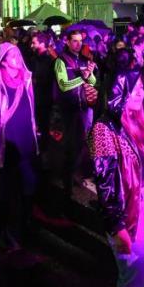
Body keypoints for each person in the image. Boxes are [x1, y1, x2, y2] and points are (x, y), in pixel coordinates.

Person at [89, 72, 144, 287]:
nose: (141, 92)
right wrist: (117, 227)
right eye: (135, 89)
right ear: (118, 93)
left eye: (142, 87)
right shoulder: (103, 129)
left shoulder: (140, 119)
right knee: (132, 282)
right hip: (130, 213)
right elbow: (105, 184)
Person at [0, 43, 39, 248]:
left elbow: (31, 108)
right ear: (2, 60)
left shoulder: (27, 80)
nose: (18, 58)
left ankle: (25, 223)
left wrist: (35, 128)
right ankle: (1, 232)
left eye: (18, 54)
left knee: (29, 185)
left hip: (26, 141)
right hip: (6, 144)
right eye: (12, 55)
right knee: (4, 191)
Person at [54, 30, 97, 206]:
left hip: (84, 108)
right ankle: (67, 182)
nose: (78, 44)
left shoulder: (84, 59)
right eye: (75, 41)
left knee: (83, 145)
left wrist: (91, 74)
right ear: (67, 41)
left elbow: (92, 82)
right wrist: (83, 77)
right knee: (71, 146)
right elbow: (63, 85)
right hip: (69, 110)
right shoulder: (61, 60)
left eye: (80, 41)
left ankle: (75, 175)